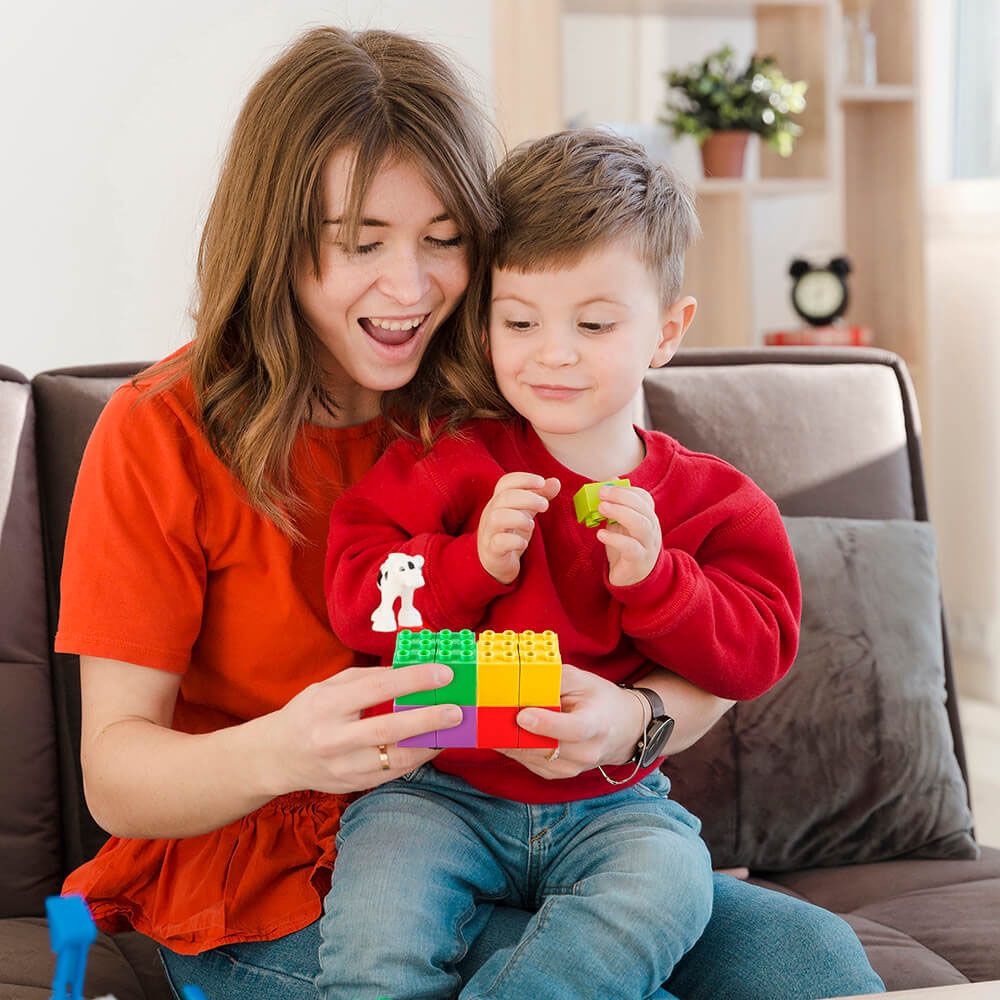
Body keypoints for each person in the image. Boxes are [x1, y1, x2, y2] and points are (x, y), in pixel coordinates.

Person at [54, 25, 885, 1000]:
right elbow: (115, 774)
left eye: (443, 242)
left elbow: (693, 635)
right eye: (360, 244)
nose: (409, 288)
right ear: (278, 244)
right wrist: (287, 746)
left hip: (529, 815)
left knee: (813, 965)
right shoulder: (160, 429)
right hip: (268, 874)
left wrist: (638, 718)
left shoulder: (518, 384)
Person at [320, 128, 800, 999]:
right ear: (487, 321)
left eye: (595, 322)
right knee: (373, 938)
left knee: (671, 885)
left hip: (614, 805)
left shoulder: (710, 502)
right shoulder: (449, 462)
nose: (555, 352)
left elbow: (759, 649)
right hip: (438, 790)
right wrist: (466, 567)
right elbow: (360, 599)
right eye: (521, 321)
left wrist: (661, 582)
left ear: (666, 331)